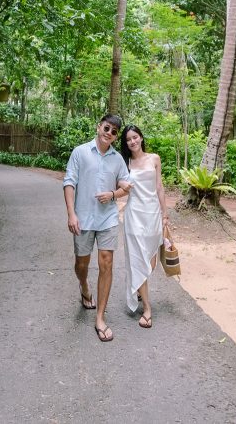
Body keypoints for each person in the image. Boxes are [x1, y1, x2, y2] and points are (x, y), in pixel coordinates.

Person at [63, 114, 131, 342]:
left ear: (115, 136)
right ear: (99, 126)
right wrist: (71, 214)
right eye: (107, 128)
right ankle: (83, 285)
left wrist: (113, 193)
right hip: (82, 219)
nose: (109, 133)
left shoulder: (118, 159)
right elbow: (69, 182)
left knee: (107, 262)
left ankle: (100, 317)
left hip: (108, 219)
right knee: (81, 264)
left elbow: (125, 186)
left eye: (113, 131)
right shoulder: (80, 152)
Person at [120, 124, 168, 329]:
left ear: (141, 137)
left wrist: (165, 213)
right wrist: (120, 188)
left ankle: (141, 289)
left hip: (152, 215)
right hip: (134, 216)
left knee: (150, 262)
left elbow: (159, 186)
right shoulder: (125, 163)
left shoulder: (154, 158)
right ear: (126, 143)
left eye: (135, 137)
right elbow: (119, 188)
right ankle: (147, 308)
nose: (133, 141)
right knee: (139, 261)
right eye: (129, 139)